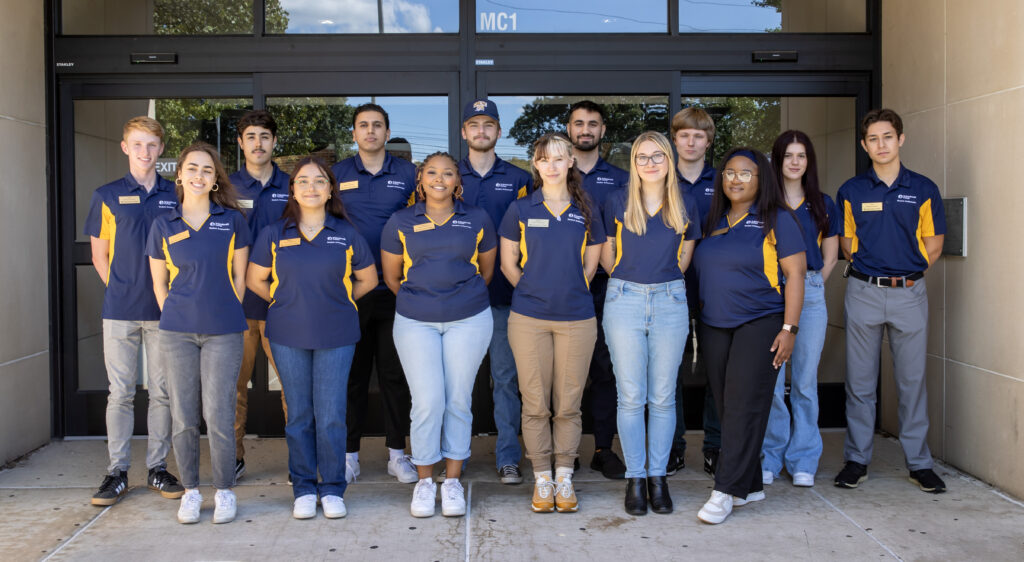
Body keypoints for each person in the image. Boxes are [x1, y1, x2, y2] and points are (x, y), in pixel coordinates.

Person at [247, 157, 377, 520]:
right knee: (300, 414)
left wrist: (339, 300)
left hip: (337, 334)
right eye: (303, 181)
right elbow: (255, 280)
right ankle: (304, 486)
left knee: (332, 413)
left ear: (330, 189)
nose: (311, 187)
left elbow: (367, 280)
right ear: (293, 190)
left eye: (319, 181)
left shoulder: (346, 234)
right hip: (287, 334)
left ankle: (333, 486)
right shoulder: (275, 233)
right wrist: (285, 301)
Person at [834, 109, 947, 494]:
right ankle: (857, 460)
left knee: (912, 382)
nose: (880, 145)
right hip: (864, 291)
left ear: (900, 139)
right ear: (864, 145)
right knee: (860, 383)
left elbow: (934, 245)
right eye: (873, 139)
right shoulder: (851, 191)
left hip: (909, 295)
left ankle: (919, 463)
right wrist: (874, 272)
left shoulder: (924, 188)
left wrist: (906, 274)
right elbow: (847, 243)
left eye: (887, 137)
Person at [693, 147, 806, 525]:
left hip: (761, 322)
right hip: (714, 323)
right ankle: (751, 483)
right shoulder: (713, 220)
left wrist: (789, 329)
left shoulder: (777, 219)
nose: (735, 179)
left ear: (761, 180)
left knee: (742, 404)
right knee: (728, 407)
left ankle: (724, 489)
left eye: (745, 173)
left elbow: (796, 276)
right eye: (729, 173)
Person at [382, 152, 497, 518]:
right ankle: (424, 481)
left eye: (448, 173)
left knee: (458, 400)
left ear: (457, 181)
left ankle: (451, 483)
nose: (439, 179)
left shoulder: (477, 218)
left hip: (470, 319)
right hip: (416, 321)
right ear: (420, 178)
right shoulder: (400, 220)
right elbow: (392, 277)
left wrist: (456, 300)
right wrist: (424, 303)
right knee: (428, 401)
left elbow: (487, 271)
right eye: (432, 172)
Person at [499, 133, 605, 513]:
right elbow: (509, 264)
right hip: (528, 319)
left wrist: (570, 289)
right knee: (535, 404)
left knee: (568, 406)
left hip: (577, 319)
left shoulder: (587, 207)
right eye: (546, 159)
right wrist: (532, 290)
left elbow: (592, 265)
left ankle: (564, 476)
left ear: (571, 162)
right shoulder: (521, 209)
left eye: (561, 158)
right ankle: (542, 478)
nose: (554, 165)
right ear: (537, 165)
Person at [147, 142, 250, 524]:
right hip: (177, 332)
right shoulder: (164, 224)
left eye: (207, 170)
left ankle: (224, 489)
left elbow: (240, 277)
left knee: (219, 413)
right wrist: (175, 315)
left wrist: (227, 310)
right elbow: (159, 283)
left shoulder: (231, 220)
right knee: (184, 415)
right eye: (192, 168)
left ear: (215, 179)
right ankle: (190, 490)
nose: (199, 175)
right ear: (180, 175)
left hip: (223, 331)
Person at [83, 116, 184, 506]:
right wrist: (124, 288)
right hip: (120, 311)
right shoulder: (106, 195)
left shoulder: (173, 196)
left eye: (152, 145)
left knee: (161, 393)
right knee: (121, 393)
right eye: (137, 145)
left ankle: (158, 468)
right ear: (125, 147)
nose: (145, 152)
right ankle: (117, 471)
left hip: (165, 312)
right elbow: (99, 255)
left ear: (161, 150)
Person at [600, 132, 701, 516]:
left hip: (670, 300)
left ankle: (658, 477)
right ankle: (635, 478)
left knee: (662, 396)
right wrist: (631, 281)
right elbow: (608, 254)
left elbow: (685, 256)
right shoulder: (617, 200)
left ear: (669, 160)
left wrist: (662, 284)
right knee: (630, 396)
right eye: (642, 157)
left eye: (657, 156)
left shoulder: (686, 202)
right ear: (634, 163)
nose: (650, 163)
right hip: (624, 299)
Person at [331, 103, 418, 484]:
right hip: (349, 292)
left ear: (387, 133)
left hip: (396, 290)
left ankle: (397, 454)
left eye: (377, 126)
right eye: (363, 125)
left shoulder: (408, 174)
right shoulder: (335, 174)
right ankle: (349, 455)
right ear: (353, 134)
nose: (370, 131)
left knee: (394, 376)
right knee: (351, 376)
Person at [459, 99, 534, 485]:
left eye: (489, 124)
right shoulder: (446, 176)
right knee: (456, 383)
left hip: (505, 299)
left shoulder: (520, 179)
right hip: (458, 301)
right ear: (464, 133)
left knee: (505, 379)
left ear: (499, 132)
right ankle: (455, 456)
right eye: (474, 124)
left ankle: (508, 456)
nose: (481, 131)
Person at [760, 131, 840, 487]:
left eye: (802, 156)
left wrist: (812, 283)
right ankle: (771, 456)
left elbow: (831, 254)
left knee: (805, 382)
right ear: (777, 160)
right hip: (770, 294)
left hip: (809, 292)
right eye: (788, 155)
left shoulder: (823, 202)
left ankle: (804, 458)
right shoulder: (764, 203)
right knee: (773, 383)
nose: (795, 162)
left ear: (809, 162)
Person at [566, 100, 629, 479]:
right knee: (564, 371)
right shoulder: (552, 175)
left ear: (603, 131)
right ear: (569, 130)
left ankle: (603, 448)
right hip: (562, 288)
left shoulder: (622, 179)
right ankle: (566, 449)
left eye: (592, 124)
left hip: (608, 287)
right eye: (578, 123)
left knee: (606, 371)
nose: (585, 130)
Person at [229, 109, 291, 481]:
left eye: (264, 136)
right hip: (236, 305)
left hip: (281, 303)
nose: (258, 143)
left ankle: (299, 459)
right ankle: (232, 457)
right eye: (250, 136)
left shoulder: (292, 184)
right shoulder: (227, 187)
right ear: (241, 142)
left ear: (274, 142)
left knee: (292, 386)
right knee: (233, 388)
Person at [668, 106, 723, 476]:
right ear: (674, 139)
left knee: (716, 368)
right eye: (684, 134)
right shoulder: (658, 178)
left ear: (708, 141)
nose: (691, 141)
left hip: (717, 287)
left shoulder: (724, 182)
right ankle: (672, 446)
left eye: (698, 135)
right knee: (668, 369)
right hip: (669, 285)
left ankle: (715, 445)